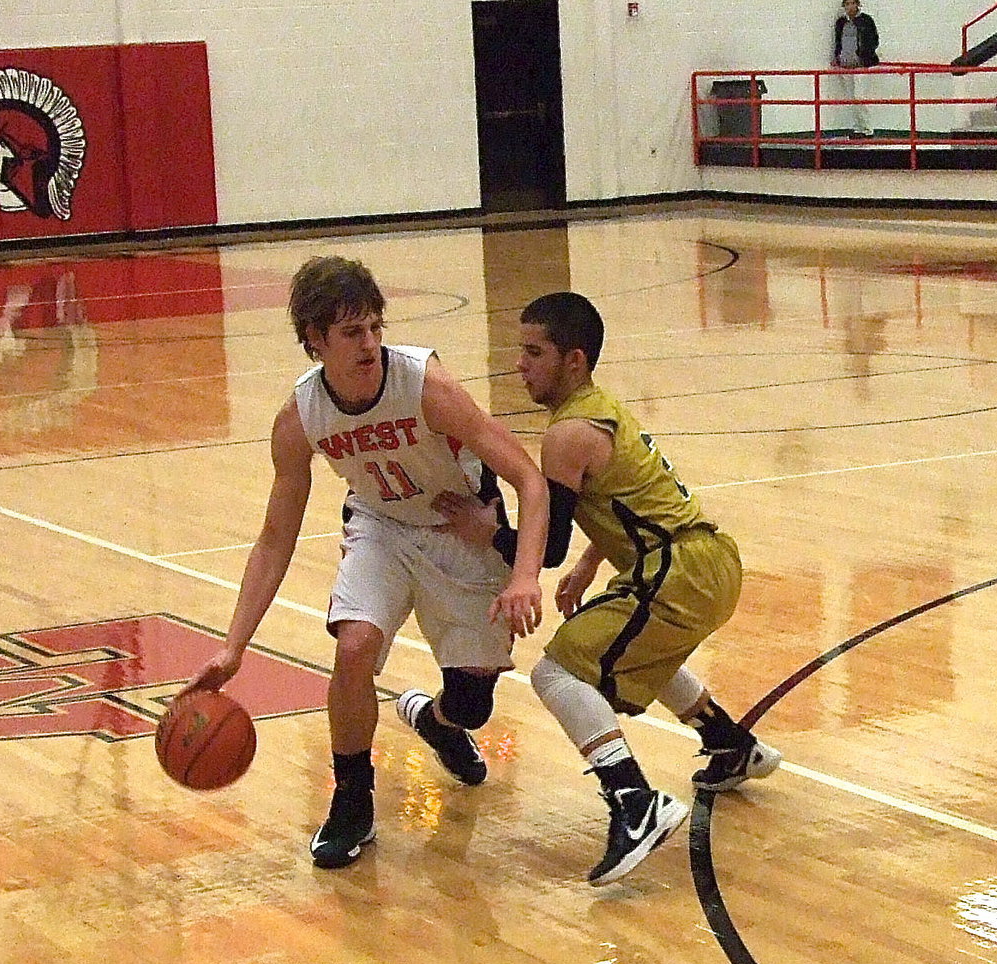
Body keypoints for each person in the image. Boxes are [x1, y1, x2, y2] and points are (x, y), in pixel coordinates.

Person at [184, 256, 549, 869]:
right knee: (353, 647)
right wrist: (233, 647)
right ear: (315, 342)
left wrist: (524, 575)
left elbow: (530, 481)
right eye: (352, 332)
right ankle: (352, 798)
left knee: (472, 707)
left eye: (375, 327)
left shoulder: (427, 387)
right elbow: (275, 539)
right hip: (380, 528)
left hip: (459, 530)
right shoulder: (300, 418)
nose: (370, 343)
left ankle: (436, 722)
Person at [433, 292, 780, 887]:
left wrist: (486, 531)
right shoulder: (602, 409)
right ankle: (731, 744)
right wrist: (596, 561)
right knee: (625, 644)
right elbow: (632, 496)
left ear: (574, 359)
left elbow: (549, 547)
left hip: (679, 572)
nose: (520, 364)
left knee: (557, 673)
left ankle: (634, 803)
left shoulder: (567, 434)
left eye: (534, 352)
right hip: (706, 560)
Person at [832, 0, 879, 137]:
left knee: (860, 97)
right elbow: (838, 41)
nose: (849, 7)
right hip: (846, 64)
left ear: (857, 5)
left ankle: (867, 128)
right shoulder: (841, 22)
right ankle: (858, 127)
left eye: (852, 3)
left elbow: (874, 40)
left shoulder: (866, 20)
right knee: (851, 98)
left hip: (861, 64)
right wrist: (837, 56)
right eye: (847, 4)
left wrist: (863, 55)